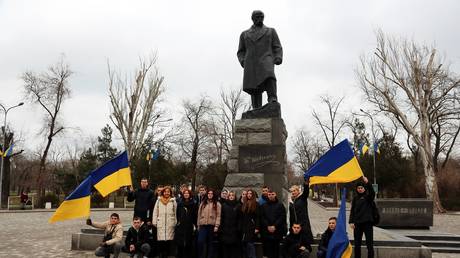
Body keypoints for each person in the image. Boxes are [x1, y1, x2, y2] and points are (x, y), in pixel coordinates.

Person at [237, 10, 283, 109]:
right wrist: (243, 61)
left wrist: (278, 56)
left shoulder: (270, 31)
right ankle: (256, 108)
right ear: (252, 18)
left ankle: (272, 98)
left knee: (269, 75)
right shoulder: (244, 34)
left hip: (266, 58)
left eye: (262, 17)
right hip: (251, 62)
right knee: (254, 85)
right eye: (257, 17)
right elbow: (241, 51)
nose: (260, 19)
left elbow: (277, 46)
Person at [349, 176, 375, 258]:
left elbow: (372, 192)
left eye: (361, 188)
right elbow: (352, 210)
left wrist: (367, 183)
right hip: (357, 224)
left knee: (369, 244)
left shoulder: (368, 197)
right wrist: (351, 221)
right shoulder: (355, 199)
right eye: (358, 188)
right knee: (357, 244)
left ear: (364, 189)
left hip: (367, 223)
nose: (360, 189)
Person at [260, 190, 287, 258]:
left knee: (276, 252)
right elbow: (262, 217)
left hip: (277, 232)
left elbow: (282, 217)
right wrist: (268, 226)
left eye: (272, 194)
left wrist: (274, 226)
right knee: (268, 252)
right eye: (269, 194)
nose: (271, 196)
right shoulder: (263, 206)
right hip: (267, 232)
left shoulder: (280, 205)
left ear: (275, 195)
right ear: (267, 195)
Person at [152, 186, 177, 258]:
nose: (167, 193)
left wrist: (175, 221)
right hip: (161, 223)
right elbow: (155, 212)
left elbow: (175, 212)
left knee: (169, 241)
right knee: (161, 241)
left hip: (170, 223)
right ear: (163, 192)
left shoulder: (173, 201)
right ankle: (161, 255)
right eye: (165, 191)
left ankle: (168, 255)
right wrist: (154, 221)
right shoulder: (159, 200)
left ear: (170, 193)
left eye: (168, 192)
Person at [197, 189, 221, 258]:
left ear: (213, 195)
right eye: (209, 193)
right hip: (203, 226)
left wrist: (216, 226)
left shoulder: (217, 204)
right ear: (207, 194)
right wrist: (198, 224)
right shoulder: (203, 203)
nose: (210, 195)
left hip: (211, 226)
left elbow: (218, 215)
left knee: (210, 243)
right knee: (200, 242)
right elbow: (199, 214)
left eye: (211, 193)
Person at [289, 178, 314, 244]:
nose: (293, 192)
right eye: (292, 191)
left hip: (303, 225)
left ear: (298, 191)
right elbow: (291, 215)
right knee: (295, 243)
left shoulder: (302, 198)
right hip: (295, 226)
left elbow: (306, 192)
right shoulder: (291, 201)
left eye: (295, 191)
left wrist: (306, 184)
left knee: (304, 242)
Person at [175, 189, 198, 258]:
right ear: (183, 194)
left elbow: (195, 215)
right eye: (185, 193)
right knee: (180, 243)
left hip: (189, 225)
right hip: (181, 225)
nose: (186, 194)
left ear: (190, 194)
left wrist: (194, 224)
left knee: (189, 242)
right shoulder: (180, 203)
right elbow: (177, 213)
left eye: (187, 193)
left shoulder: (193, 203)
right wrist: (178, 222)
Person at [239, 189, 260, 258]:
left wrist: (257, 227)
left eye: (250, 193)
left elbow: (257, 217)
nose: (249, 195)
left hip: (251, 227)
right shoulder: (244, 203)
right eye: (248, 193)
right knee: (244, 244)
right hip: (244, 227)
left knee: (250, 244)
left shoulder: (256, 204)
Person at [220, 191, 241, 258]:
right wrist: (222, 228)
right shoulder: (224, 205)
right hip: (225, 230)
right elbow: (222, 217)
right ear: (228, 197)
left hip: (234, 230)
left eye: (233, 195)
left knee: (233, 249)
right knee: (225, 249)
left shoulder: (238, 205)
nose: (231, 196)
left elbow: (239, 218)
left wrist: (238, 228)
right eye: (230, 195)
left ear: (235, 197)